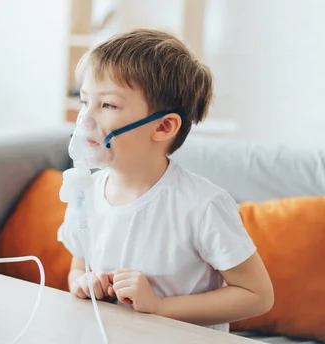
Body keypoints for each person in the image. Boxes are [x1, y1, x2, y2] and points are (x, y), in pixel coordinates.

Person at [57, 29, 274, 332]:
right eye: (84, 101)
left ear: (162, 127)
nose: (85, 119)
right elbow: (79, 265)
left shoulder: (201, 206)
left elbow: (257, 296)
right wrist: (84, 283)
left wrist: (160, 307)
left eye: (107, 105)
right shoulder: (86, 193)